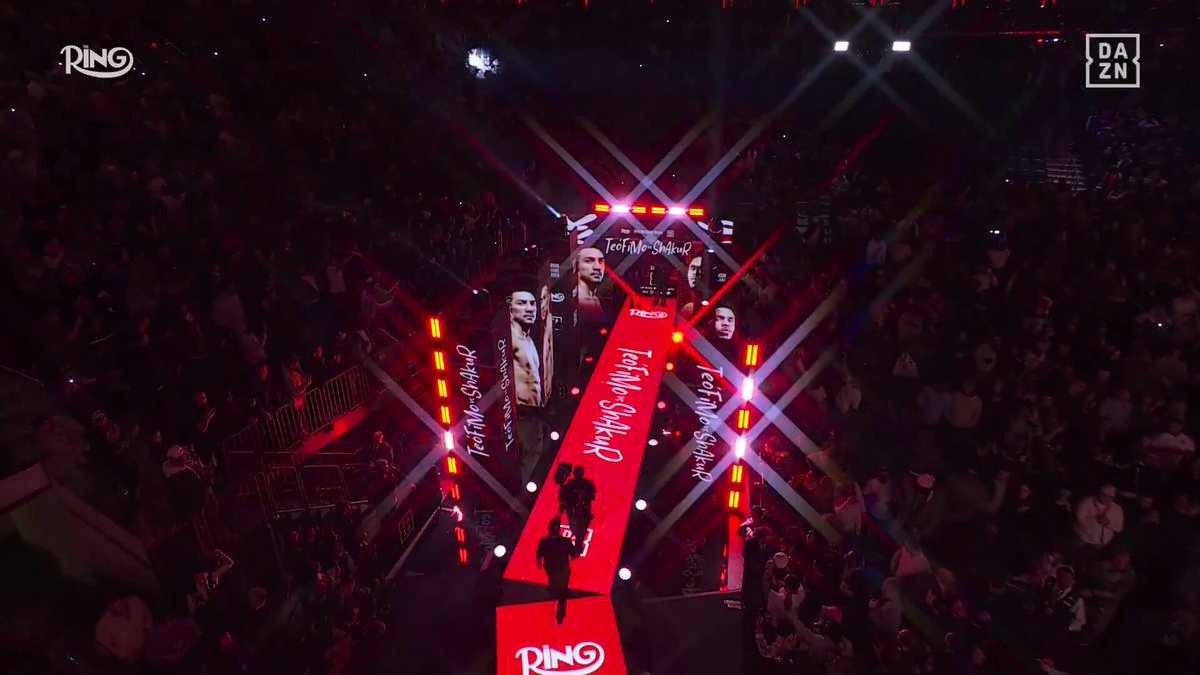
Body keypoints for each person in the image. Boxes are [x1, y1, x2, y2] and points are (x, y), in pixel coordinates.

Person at [536, 517, 576, 624]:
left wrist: (540, 564)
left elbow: (539, 557)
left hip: (551, 571)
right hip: (563, 571)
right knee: (562, 593)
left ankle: (550, 611)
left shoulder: (544, 541)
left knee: (553, 589)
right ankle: (560, 616)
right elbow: (573, 555)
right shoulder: (565, 541)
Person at [509, 290, 543, 407]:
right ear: (510, 309)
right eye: (521, 303)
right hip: (521, 411)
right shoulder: (511, 337)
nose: (529, 309)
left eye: (532, 303)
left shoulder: (529, 340)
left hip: (535, 408)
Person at [559, 466, 596, 554]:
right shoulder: (570, 484)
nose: (578, 476)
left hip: (583, 510)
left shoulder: (588, 484)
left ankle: (577, 548)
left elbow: (592, 495)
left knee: (580, 531)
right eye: (577, 474)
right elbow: (564, 496)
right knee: (577, 530)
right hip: (573, 510)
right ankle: (577, 548)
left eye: (579, 474)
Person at [575, 247, 606, 321]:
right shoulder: (573, 301)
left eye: (601, 261)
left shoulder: (602, 300)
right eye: (588, 261)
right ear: (576, 265)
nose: (597, 267)